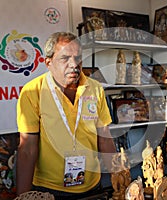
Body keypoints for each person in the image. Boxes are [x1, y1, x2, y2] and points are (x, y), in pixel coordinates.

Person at [16, 32, 116, 199]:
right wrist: (23, 196)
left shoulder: (95, 88)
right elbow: (27, 148)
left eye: (78, 58)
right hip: (50, 189)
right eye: (65, 58)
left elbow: (104, 137)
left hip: (92, 185)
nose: (74, 64)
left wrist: (119, 177)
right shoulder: (32, 92)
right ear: (48, 62)